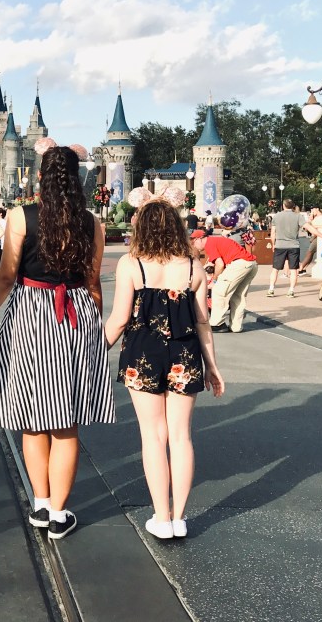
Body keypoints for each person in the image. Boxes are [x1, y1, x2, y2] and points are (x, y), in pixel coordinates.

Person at [0, 145, 113, 541]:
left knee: (31, 419)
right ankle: (59, 513)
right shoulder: (92, 223)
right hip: (75, 314)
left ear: (41, 177)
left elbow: (6, 277)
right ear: (76, 179)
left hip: (30, 316)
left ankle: (41, 503)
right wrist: (96, 327)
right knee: (67, 423)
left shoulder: (21, 217)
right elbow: (93, 283)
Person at [104, 198, 224, 540]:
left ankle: (161, 516)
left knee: (153, 437)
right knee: (181, 436)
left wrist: (94, 352)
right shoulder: (193, 268)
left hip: (143, 351)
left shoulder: (132, 264)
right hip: (184, 352)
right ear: (176, 227)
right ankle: (179, 518)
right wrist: (213, 366)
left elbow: (119, 319)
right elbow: (204, 324)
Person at [190, 230, 258, 333]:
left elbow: (220, 265)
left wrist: (215, 280)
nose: (194, 246)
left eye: (193, 243)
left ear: (199, 239)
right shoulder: (217, 240)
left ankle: (217, 324)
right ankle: (236, 326)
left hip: (239, 264)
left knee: (219, 291)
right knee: (238, 295)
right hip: (251, 264)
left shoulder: (209, 243)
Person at [267, 199, 322, 298]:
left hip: (280, 245)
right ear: (293, 206)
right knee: (293, 269)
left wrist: (273, 244)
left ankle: (271, 289)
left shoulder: (276, 216)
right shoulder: (298, 216)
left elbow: (273, 233)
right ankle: (291, 290)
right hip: (293, 245)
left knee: (275, 269)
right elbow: (309, 228)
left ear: (283, 206)